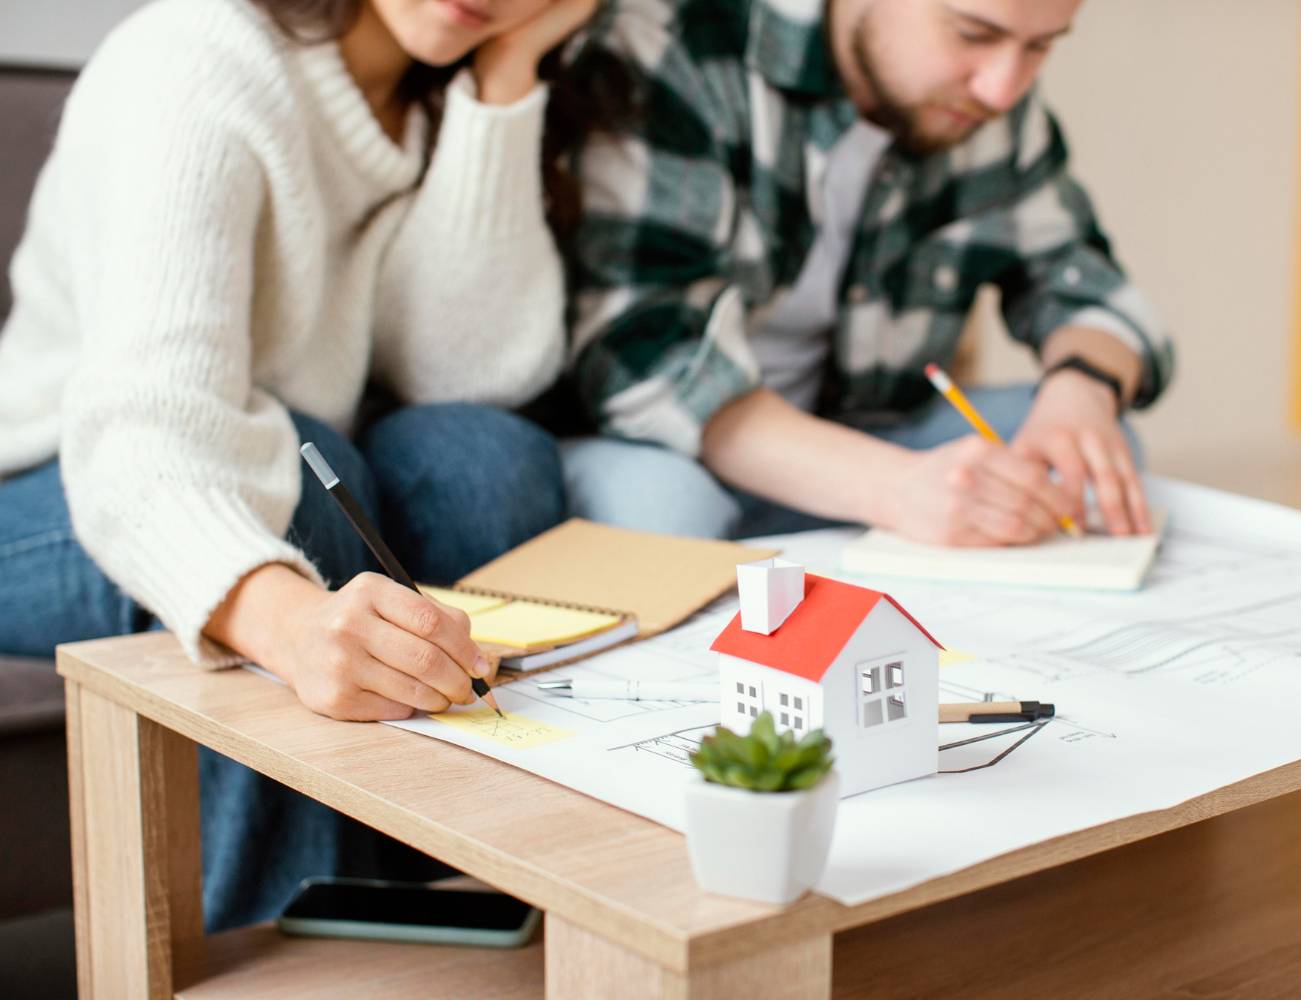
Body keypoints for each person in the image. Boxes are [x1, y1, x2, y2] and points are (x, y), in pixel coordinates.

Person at [0, 0, 594, 929]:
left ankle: (461, 919)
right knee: (294, 489)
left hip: (261, 451)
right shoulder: (194, 58)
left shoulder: (435, 95)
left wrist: (504, 75)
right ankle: (287, 947)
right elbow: (140, 435)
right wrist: (291, 623)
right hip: (46, 487)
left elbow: (467, 371)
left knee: (486, 458)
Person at [561, 0, 1173, 544]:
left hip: (862, 432)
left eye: (1040, 46)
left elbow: (1078, 275)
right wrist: (897, 489)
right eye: (972, 33)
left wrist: (1082, 392)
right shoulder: (678, 40)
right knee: (663, 513)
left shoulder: (985, 102)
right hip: (675, 450)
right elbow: (646, 363)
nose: (1001, 89)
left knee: (1088, 458)